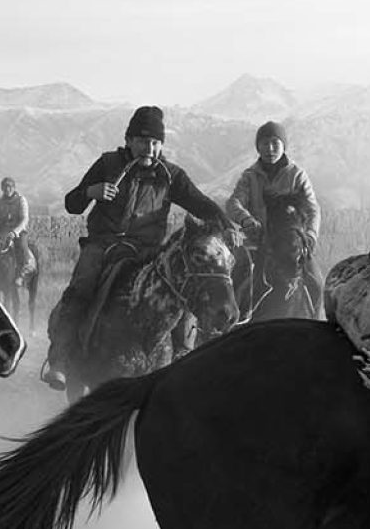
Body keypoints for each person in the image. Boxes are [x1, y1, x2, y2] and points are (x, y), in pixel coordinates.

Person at [42, 106, 231, 389]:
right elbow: (73, 203)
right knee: (82, 287)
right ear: (129, 140)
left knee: (183, 285)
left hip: (148, 250)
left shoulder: (171, 175)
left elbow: (200, 202)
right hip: (104, 244)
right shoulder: (107, 164)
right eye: (142, 141)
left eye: (155, 143)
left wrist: (225, 224)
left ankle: (183, 355)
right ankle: (60, 359)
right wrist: (91, 192)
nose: (149, 148)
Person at [224, 120, 321, 249]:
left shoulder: (297, 175)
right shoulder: (250, 176)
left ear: (283, 146)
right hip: (256, 243)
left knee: (312, 270)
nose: (270, 149)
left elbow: (312, 209)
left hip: (291, 244)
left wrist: (310, 235)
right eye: (265, 143)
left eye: (275, 143)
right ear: (258, 147)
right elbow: (233, 203)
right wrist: (246, 220)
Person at [0, 175, 31, 260]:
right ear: (2, 188)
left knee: (22, 247)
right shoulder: (0, 201)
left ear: (14, 188)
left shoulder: (21, 200)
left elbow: (25, 219)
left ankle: (26, 267)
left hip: (19, 231)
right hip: (4, 230)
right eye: (5, 187)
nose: (7, 189)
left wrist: (15, 232)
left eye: (10, 187)